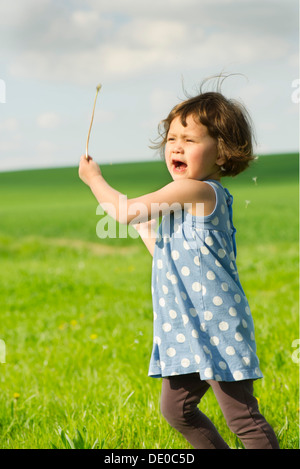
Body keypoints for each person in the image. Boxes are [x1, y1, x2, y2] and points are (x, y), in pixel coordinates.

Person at [78, 83, 279, 449]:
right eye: (172, 138)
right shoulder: (184, 201)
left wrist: (95, 181)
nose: (176, 146)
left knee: (242, 420)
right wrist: (145, 229)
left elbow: (122, 211)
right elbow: (170, 255)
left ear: (222, 153)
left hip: (216, 326)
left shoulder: (199, 191)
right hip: (185, 328)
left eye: (189, 139)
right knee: (177, 411)